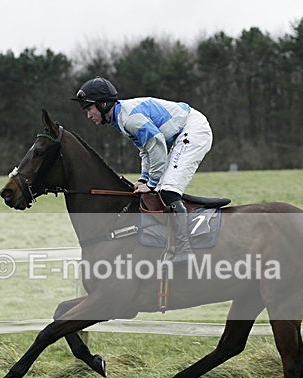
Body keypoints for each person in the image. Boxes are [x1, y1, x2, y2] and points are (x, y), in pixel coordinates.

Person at [72, 77, 213, 263]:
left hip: (193, 130)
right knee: (159, 191)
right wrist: (144, 179)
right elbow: (146, 150)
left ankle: (184, 249)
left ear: (103, 104)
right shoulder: (120, 117)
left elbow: (156, 144)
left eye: (89, 108)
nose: (89, 115)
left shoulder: (129, 118)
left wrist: (151, 182)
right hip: (183, 132)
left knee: (168, 190)